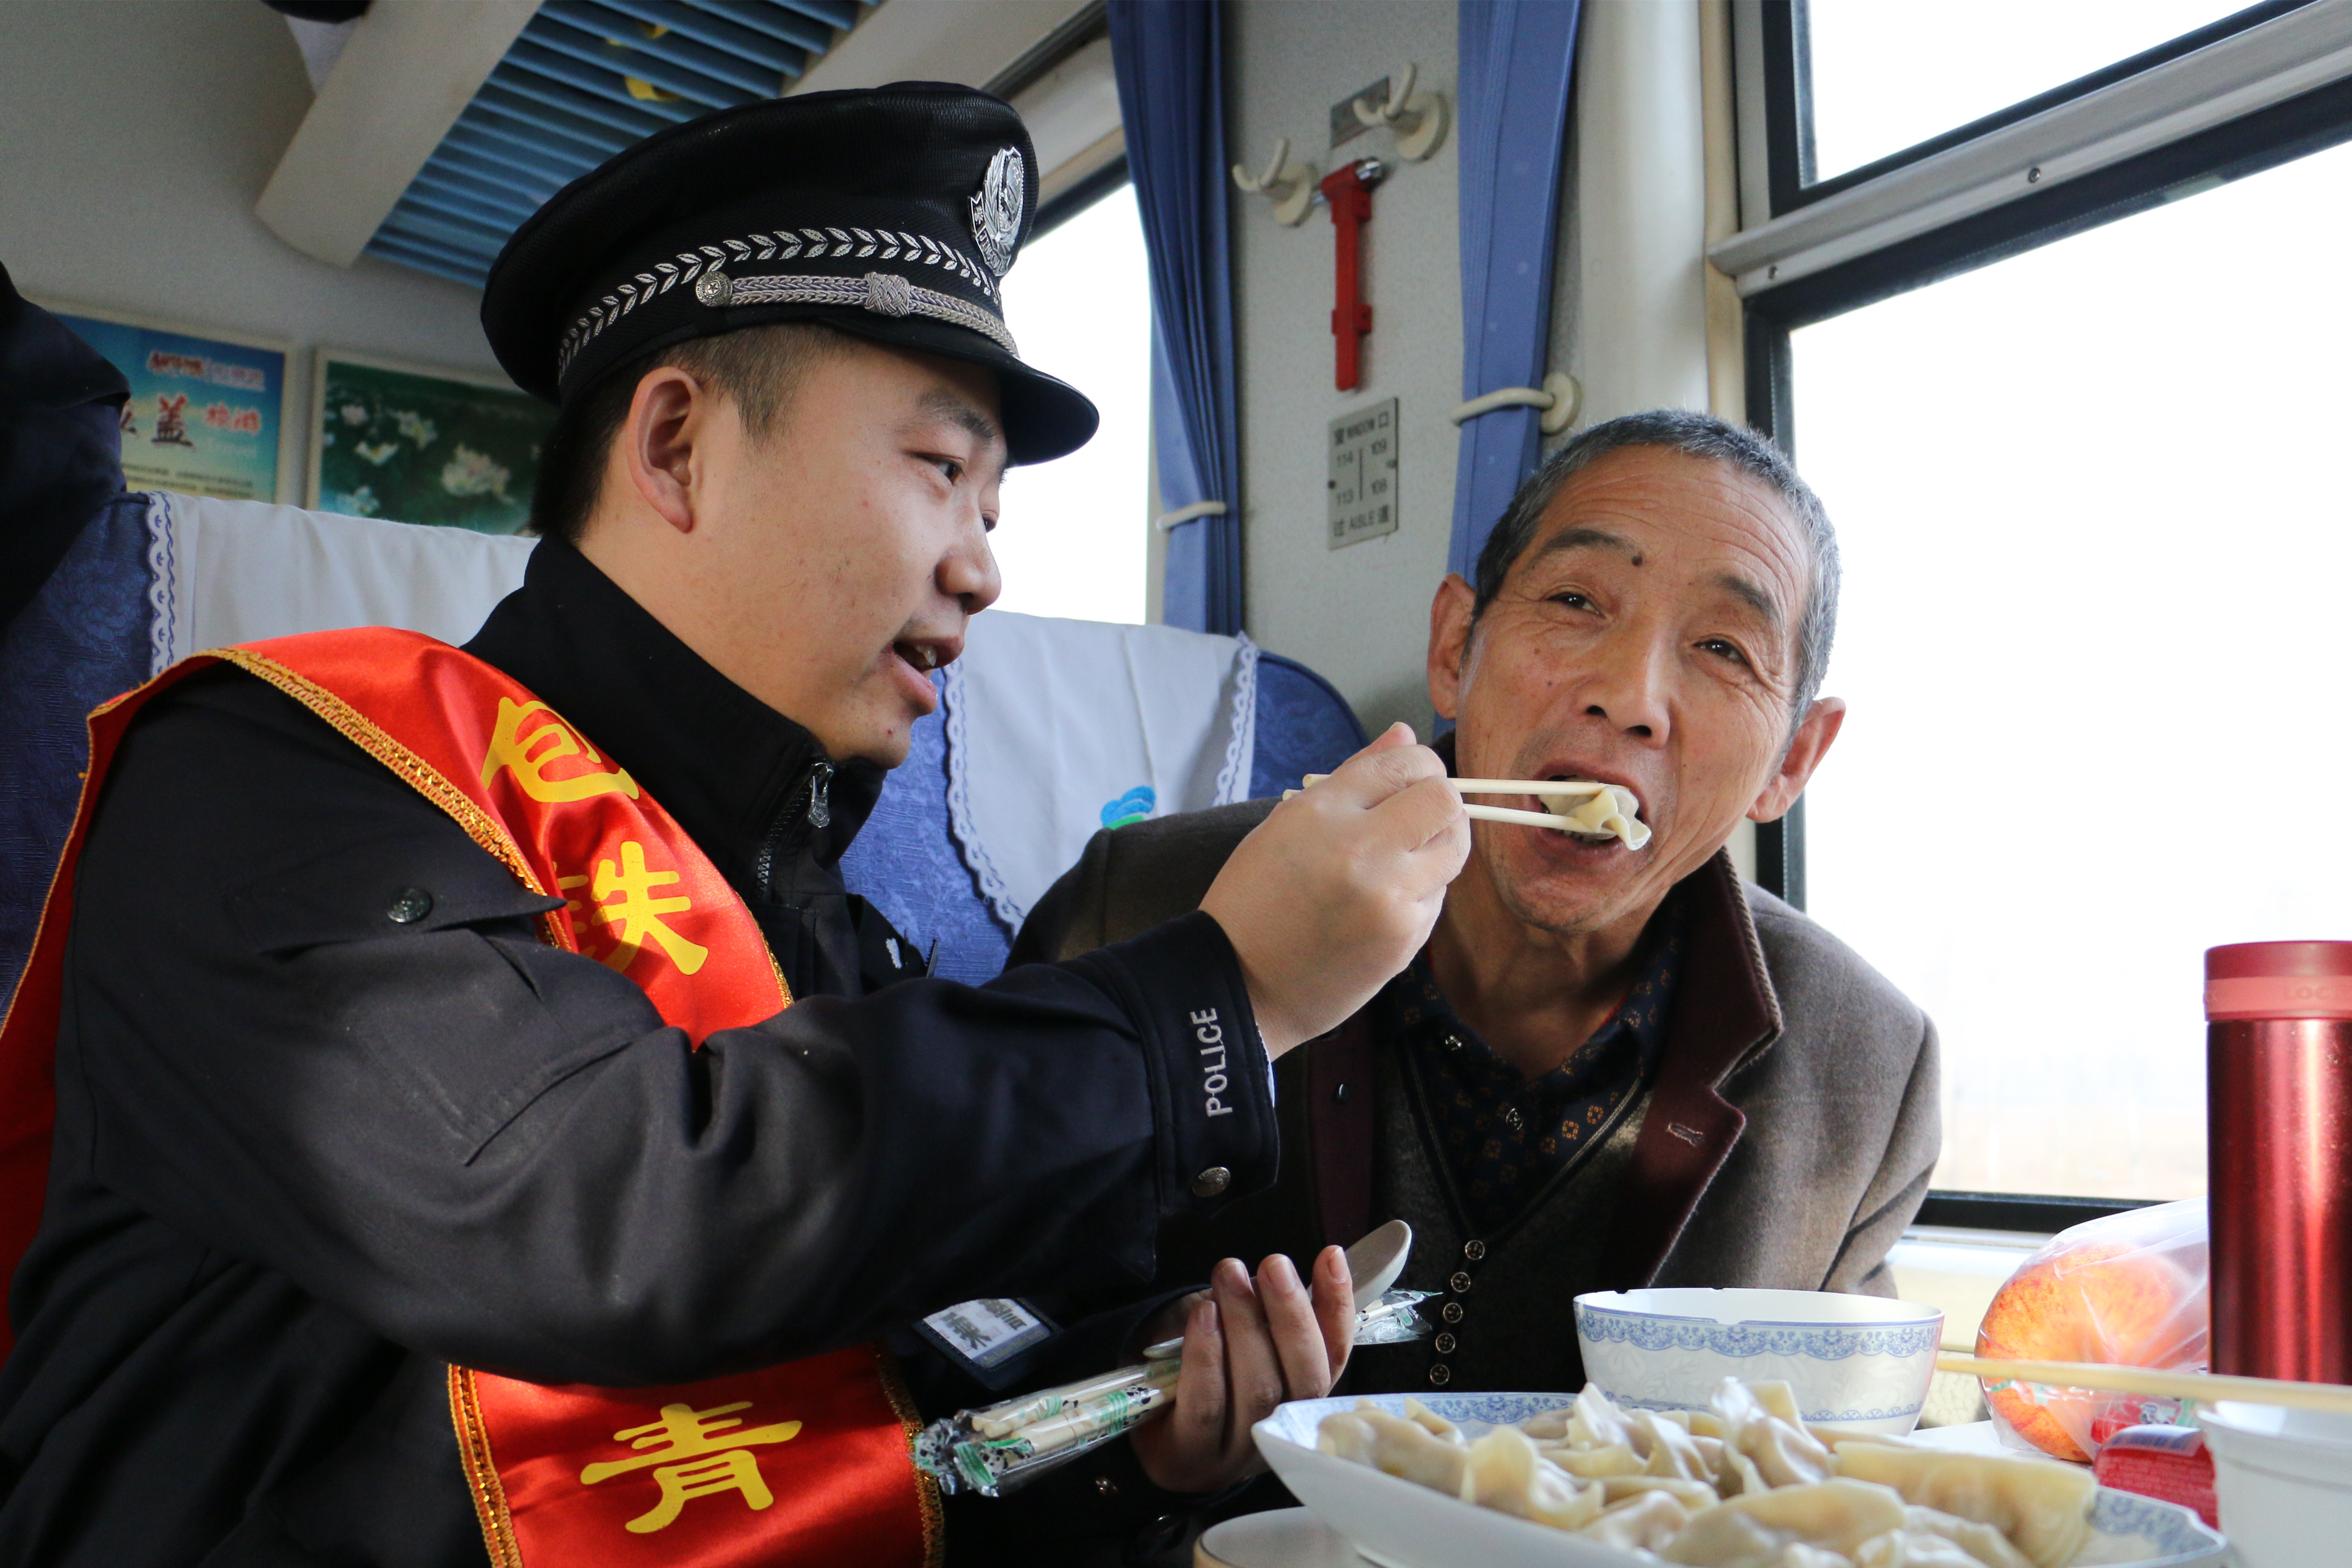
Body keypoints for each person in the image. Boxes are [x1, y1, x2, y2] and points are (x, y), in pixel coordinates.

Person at [0, 87, 1470, 1565]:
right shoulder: (282, 773)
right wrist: (1220, 992)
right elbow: (606, 1207)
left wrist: (1137, 1425)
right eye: (941, 469)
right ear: (677, 444)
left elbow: (896, 1397)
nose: (981, 568)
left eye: (999, 505)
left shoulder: (821, 912)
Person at [1016, 411, 1941, 1411]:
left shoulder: (1866, 1073)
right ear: (1456, 645)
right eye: (1579, 599)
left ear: (1794, 760)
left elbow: (1838, 1460)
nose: (1631, 695)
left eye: (1724, 646)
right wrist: (1137, 1404)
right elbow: (963, 1336)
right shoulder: (1144, 910)